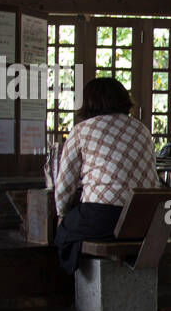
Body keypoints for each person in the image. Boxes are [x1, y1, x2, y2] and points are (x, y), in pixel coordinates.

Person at [53, 77, 158, 274]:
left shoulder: (82, 130)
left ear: (88, 102)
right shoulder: (142, 129)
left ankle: (74, 288)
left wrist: (61, 214)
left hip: (104, 219)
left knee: (65, 229)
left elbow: (64, 187)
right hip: (144, 219)